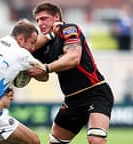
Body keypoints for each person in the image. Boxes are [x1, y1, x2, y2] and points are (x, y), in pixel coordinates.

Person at [28, 2, 115, 144]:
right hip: (72, 100)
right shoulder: (44, 43)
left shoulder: (68, 29)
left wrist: (46, 68)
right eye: (37, 20)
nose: (40, 23)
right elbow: (42, 76)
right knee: (55, 142)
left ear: (57, 17)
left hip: (95, 93)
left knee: (95, 140)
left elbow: (73, 58)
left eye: (44, 18)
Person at [0, 19, 49, 144]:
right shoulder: (22, 54)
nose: (33, 48)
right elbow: (44, 76)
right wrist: (28, 72)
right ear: (21, 39)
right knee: (34, 141)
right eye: (32, 43)